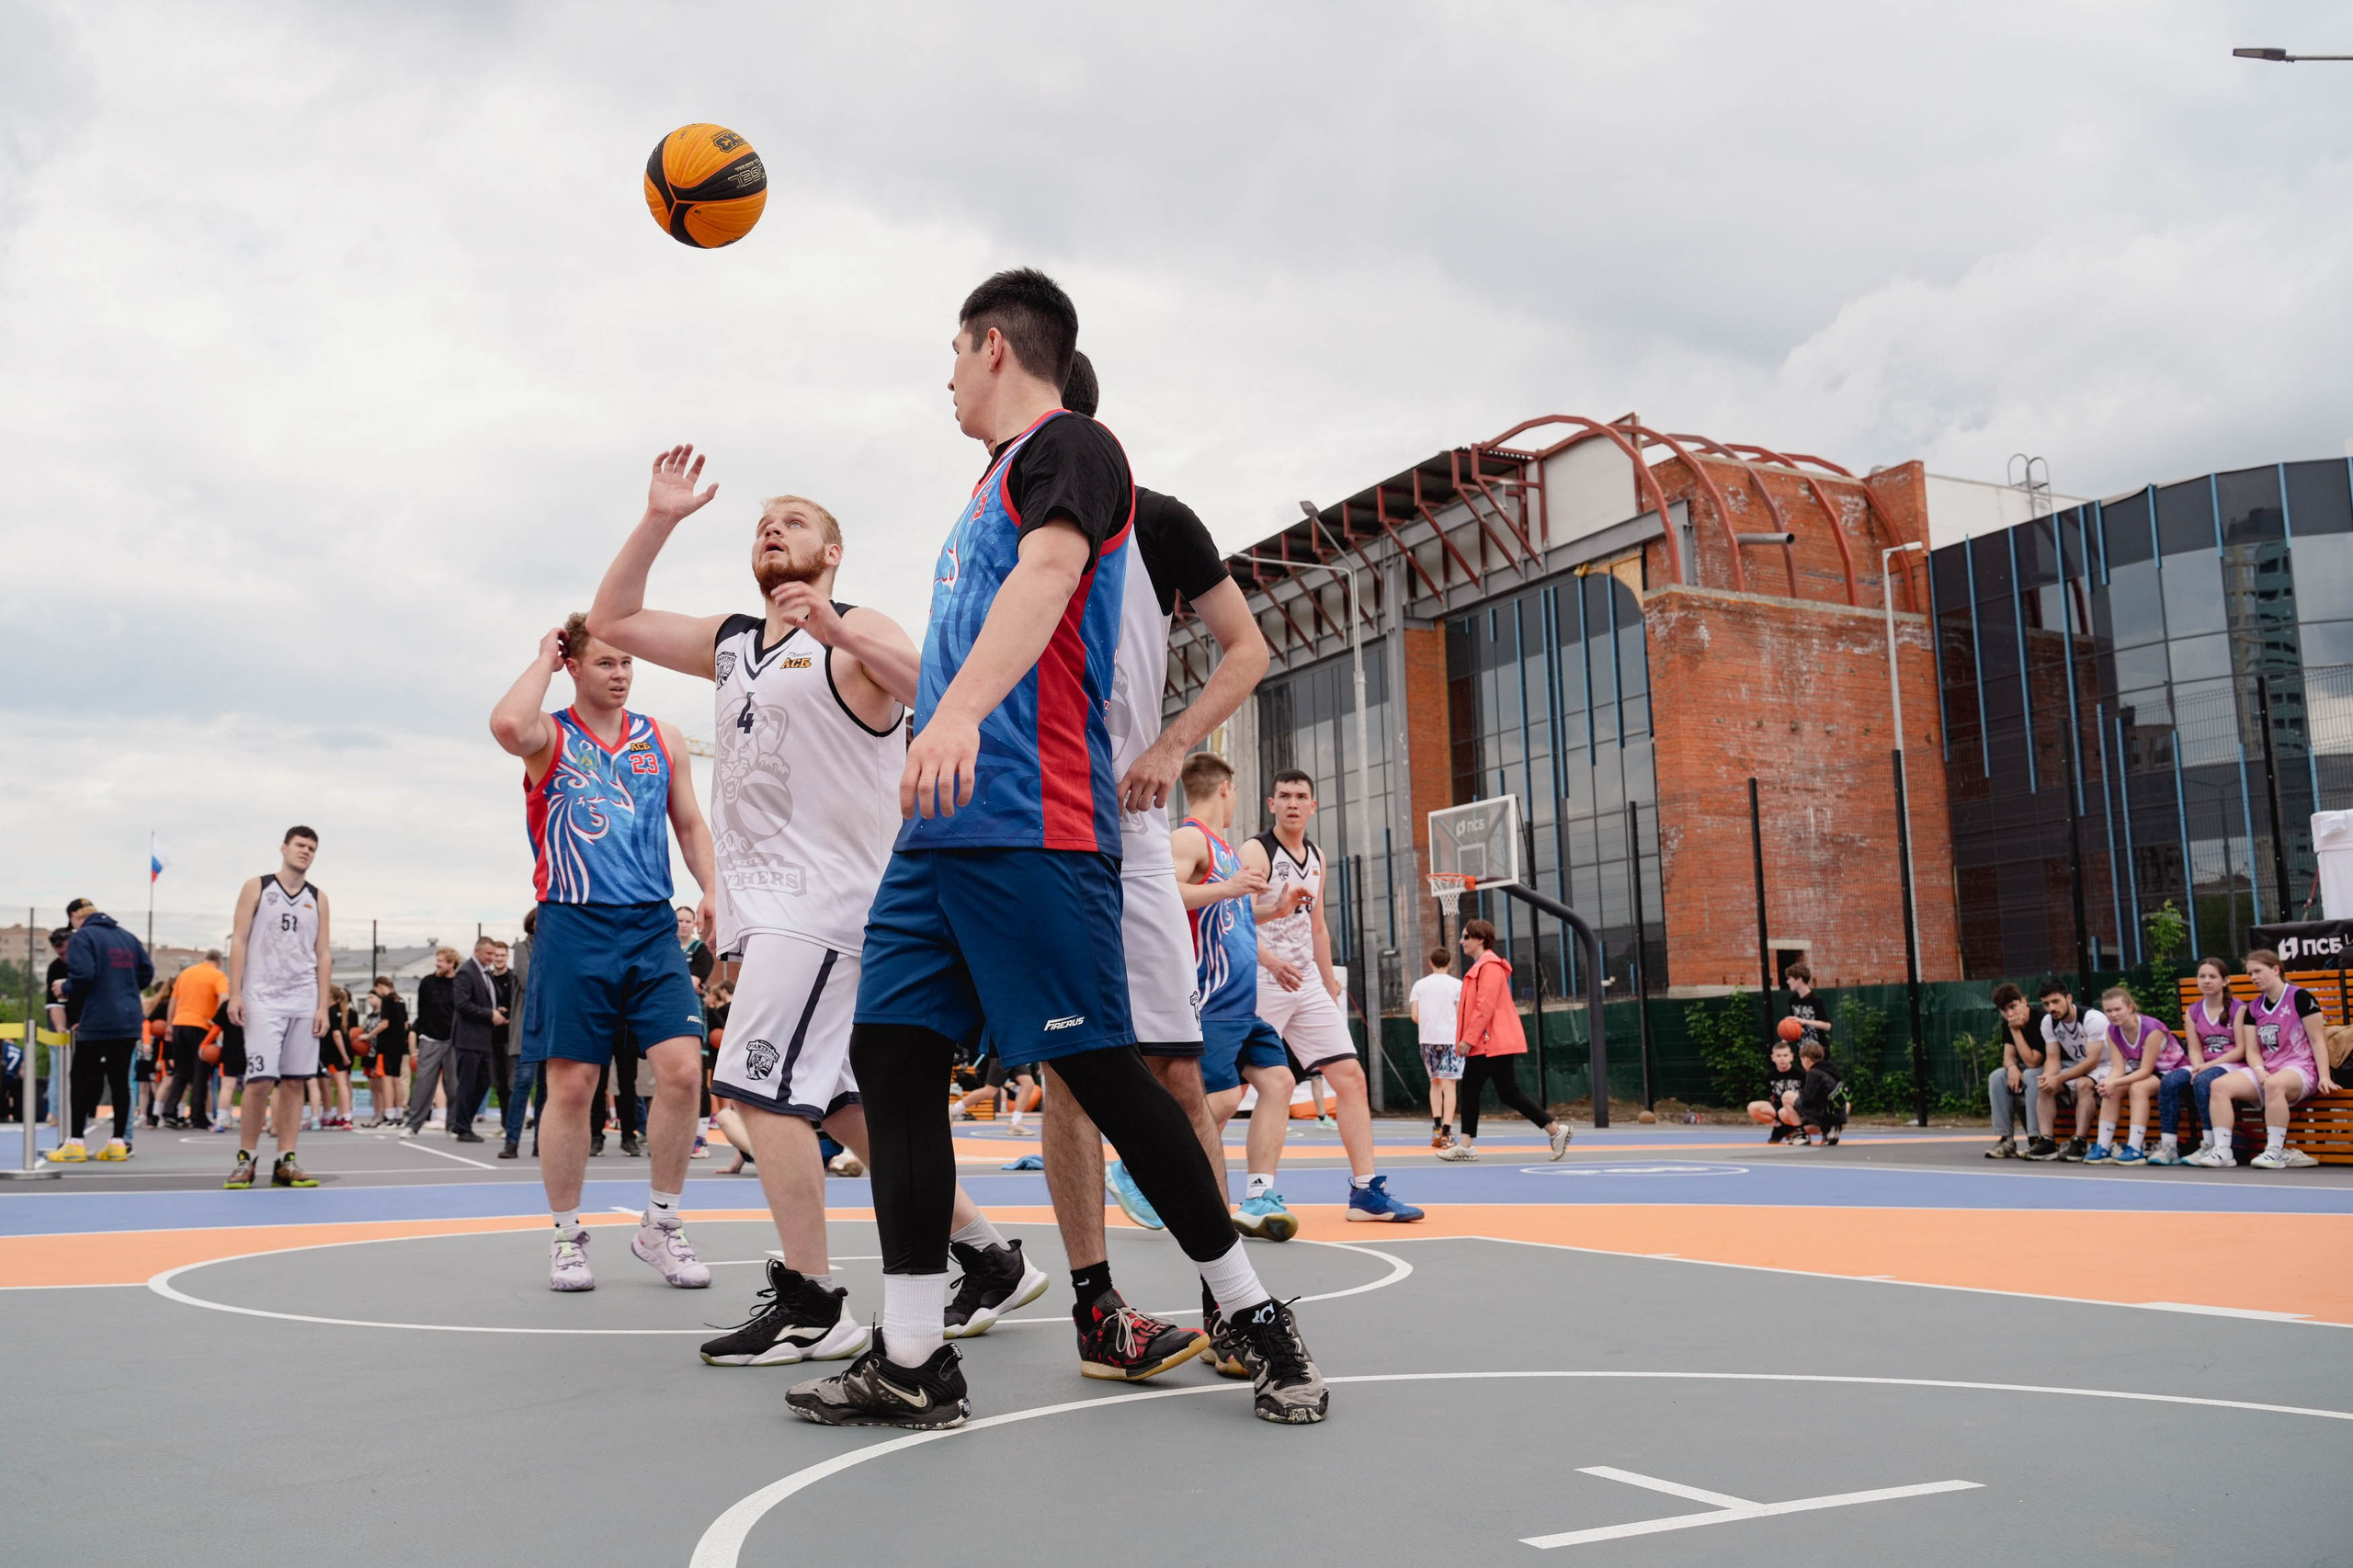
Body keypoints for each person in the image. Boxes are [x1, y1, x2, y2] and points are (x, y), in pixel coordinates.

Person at [790, 269, 1324, 1430]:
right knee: (888, 1057)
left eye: (950, 352)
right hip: (942, 836)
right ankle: (915, 1351)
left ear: (993, 345)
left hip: (1038, 818)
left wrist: (955, 714)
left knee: (1100, 1072)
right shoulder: (984, 491)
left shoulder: (1072, 448)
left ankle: (1247, 1304)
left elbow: (1046, 582)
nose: (942, 376)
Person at [585, 447, 1035, 1367]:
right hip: (776, 913)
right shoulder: (730, 642)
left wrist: (839, 628)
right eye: (762, 523)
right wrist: (660, 518)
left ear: (832, 551)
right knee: (832, 1100)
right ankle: (988, 1253)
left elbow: (943, 694)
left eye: (793, 520)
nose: (771, 528)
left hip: (829, 907)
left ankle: (815, 1301)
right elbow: (613, 619)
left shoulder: (856, 627)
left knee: (755, 1089)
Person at [1029, 351, 1279, 1364]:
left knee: (1177, 1070)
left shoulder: (1158, 521)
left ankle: (1225, 1298)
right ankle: (1097, 1308)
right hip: (1039, 825)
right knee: (1065, 1070)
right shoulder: (992, 526)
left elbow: (1248, 647)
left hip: (1127, 826)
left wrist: (1173, 744)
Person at [491, 611, 720, 1292]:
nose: (620, 674)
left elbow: (689, 822)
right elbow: (506, 725)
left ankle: (662, 1225)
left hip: (652, 926)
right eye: (605, 663)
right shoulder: (546, 736)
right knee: (573, 1086)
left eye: (627, 663)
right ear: (574, 664)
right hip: (572, 923)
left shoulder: (663, 737)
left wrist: (714, 890)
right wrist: (541, 657)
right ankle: (566, 1237)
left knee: (682, 1073)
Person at [1241, 769, 1422, 1220]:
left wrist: (1326, 981)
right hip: (1263, 980)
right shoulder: (1257, 851)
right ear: (1271, 804)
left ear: (1313, 805)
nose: (1293, 803)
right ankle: (1159, 1175)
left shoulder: (1317, 856)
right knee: (1228, 1091)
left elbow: (1316, 926)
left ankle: (1365, 1193)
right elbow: (1235, 919)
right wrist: (1270, 960)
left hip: (1304, 984)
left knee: (1351, 1078)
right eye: (1284, 796)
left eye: (1301, 796)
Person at [1174, 750, 1298, 1243]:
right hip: (1212, 996)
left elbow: (1233, 921)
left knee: (1279, 1082)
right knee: (1221, 1099)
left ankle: (1259, 1194)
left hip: (1243, 1003)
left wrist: (1275, 909)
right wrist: (1227, 889)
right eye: (1237, 792)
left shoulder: (1226, 852)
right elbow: (1160, 891)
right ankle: (1144, 1174)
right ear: (1225, 788)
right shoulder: (1189, 837)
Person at [223, 829, 333, 1188]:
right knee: (260, 1080)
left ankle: (286, 1160)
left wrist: (323, 1006)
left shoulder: (318, 898)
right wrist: (234, 993)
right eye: (300, 846)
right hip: (263, 997)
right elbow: (238, 940)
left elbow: (323, 953)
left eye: (312, 849)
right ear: (284, 848)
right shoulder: (257, 886)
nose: (306, 852)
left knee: (296, 1081)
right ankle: (246, 1158)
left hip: (303, 998)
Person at [1435, 919, 1573, 1163]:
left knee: (1483, 1090)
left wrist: (1469, 1038)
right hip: (1489, 1042)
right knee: (1498, 1092)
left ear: (1479, 939)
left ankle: (1468, 1145)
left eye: (1466, 937)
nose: (1462, 941)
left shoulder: (1489, 967)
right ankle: (1554, 1130)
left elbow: (1484, 1007)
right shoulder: (1484, 966)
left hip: (1490, 1043)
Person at [2196, 948, 2336, 1170]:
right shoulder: (2253, 1007)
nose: (2253, 977)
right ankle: (2223, 1151)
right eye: (2250, 973)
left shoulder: (2301, 997)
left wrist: (2325, 1076)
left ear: (2276, 969)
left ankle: (2274, 1152)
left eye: (2258, 971)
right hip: (2268, 1068)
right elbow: (2251, 1050)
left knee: (2274, 1084)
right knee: (2219, 1086)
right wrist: (2259, 1070)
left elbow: (2318, 1040)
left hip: (2300, 1068)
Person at [50, 898, 153, 1163]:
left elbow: (83, 974)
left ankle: (75, 1143)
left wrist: (66, 987)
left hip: (98, 1018)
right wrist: (123, 987)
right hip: (129, 1018)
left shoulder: (83, 937)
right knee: (120, 1079)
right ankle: (118, 1142)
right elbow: (146, 973)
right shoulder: (127, 937)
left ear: (75, 917)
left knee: (81, 1078)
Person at [2089, 987, 2185, 1165]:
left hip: (2171, 1071)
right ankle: (2103, 1146)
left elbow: (2146, 1070)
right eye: (2108, 1011)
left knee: (2138, 1088)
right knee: (2112, 1089)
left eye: (2118, 1009)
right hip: (2142, 1072)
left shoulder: (2152, 1029)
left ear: (2130, 1008)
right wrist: (2108, 1082)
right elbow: (2118, 1067)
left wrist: (2114, 1082)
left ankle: (2135, 1148)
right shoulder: (2111, 1031)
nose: (2113, 1014)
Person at [2022, 979, 2109, 1162]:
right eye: (2046, 1004)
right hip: (2081, 1068)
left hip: (2108, 1066)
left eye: (2056, 1002)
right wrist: (2048, 1077)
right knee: (2045, 1085)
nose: (2051, 1008)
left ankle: (2079, 1142)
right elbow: (2053, 1058)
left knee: (2083, 1084)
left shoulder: (2092, 1019)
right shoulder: (2049, 1022)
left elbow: (2092, 1061)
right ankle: (2046, 1141)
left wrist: (2059, 1079)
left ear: (2069, 998)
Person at [2176, 958, 2249, 1166]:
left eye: (2212, 977)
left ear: (2225, 981)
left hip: (2233, 1064)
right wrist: (2197, 1066)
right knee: (2172, 1081)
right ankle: (2169, 1146)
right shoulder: (2193, 1011)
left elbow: (2241, 1049)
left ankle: (2210, 1144)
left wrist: (2204, 1068)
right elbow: (2195, 1048)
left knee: (2203, 1080)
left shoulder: (2239, 1009)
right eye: (2202, 976)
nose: (2206, 981)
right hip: (2204, 1064)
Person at [158, 948, 229, 1131]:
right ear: (219, 962)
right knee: (200, 1073)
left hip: (180, 1023)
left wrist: (169, 1025)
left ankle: (170, 1112)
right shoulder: (218, 976)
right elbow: (223, 997)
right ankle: (198, 1116)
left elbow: (174, 1000)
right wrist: (217, 1022)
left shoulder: (186, 973)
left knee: (181, 1072)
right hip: (201, 1026)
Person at [445, 937, 501, 1143]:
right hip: (468, 1038)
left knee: (483, 1081)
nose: (492, 958)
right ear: (477, 951)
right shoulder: (466, 972)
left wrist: (496, 1011)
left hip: (483, 1038)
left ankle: (464, 1123)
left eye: (494, 954)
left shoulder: (485, 974)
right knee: (468, 1083)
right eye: (489, 954)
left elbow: (483, 1000)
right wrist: (489, 1014)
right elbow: (462, 1005)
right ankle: (462, 1126)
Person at [1412, 947, 1466, 1148]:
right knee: (1449, 1085)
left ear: (1431, 962)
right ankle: (1447, 1132)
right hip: (1451, 1039)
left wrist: (1429, 1024)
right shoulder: (1457, 985)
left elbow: (1415, 1016)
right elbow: (1461, 1013)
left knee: (1434, 1083)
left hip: (1427, 1039)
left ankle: (1436, 1127)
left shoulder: (1420, 985)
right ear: (1450, 963)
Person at [1982, 983, 2045, 1158]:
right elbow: (2008, 1056)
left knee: (2031, 1075)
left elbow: (2034, 1062)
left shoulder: (2041, 1020)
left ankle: (2036, 1139)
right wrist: (2011, 1068)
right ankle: (2006, 1140)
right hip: (2027, 1068)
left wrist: (2016, 1031)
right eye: (2004, 1010)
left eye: (2013, 1007)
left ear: (2024, 1002)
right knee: (1997, 1076)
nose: (2010, 1014)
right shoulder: (2008, 1024)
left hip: (2049, 1068)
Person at [401, 949, 460, 1137]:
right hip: (430, 1039)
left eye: (441, 961)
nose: (437, 964)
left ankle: (453, 1126)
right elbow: (422, 1011)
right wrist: (419, 1039)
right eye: (437, 960)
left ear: (452, 963)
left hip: (453, 1041)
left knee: (454, 1086)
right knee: (423, 1084)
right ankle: (413, 1124)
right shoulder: (427, 982)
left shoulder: (460, 983)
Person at [364, 976, 408, 1128]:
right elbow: (406, 1024)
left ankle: (388, 1115)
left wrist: (368, 1035)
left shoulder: (387, 1001)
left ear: (380, 986)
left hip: (387, 1044)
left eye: (376, 989)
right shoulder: (400, 1000)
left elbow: (384, 1023)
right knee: (397, 1080)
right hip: (399, 1044)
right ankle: (399, 1114)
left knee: (387, 1080)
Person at [1750, 1039, 1807, 1145]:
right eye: (1779, 1056)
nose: (1782, 1059)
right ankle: (1779, 1126)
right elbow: (1771, 1096)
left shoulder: (1800, 1074)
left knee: (1785, 1112)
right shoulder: (1770, 1076)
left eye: (1785, 1056)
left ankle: (1793, 1129)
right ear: (1773, 1058)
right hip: (1778, 1109)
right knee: (1752, 1107)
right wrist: (1774, 1119)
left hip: (1794, 1110)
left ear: (1791, 1057)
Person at [317, 984, 358, 1131]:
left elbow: (336, 1034)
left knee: (341, 1084)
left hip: (337, 1052)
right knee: (344, 1083)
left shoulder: (331, 1012)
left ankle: (346, 1116)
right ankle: (341, 1115)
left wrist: (343, 1055)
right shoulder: (344, 1012)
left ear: (330, 996)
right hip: (344, 1051)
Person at [1795, 1040, 1845, 1144]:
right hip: (1839, 1114)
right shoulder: (1832, 1069)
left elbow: (1808, 1100)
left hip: (1824, 1115)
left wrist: (1799, 1094)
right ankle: (1831, 1130)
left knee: (1787, 1098)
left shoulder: (1814, 1073)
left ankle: (1801, 1135)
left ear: (1806, 1059)